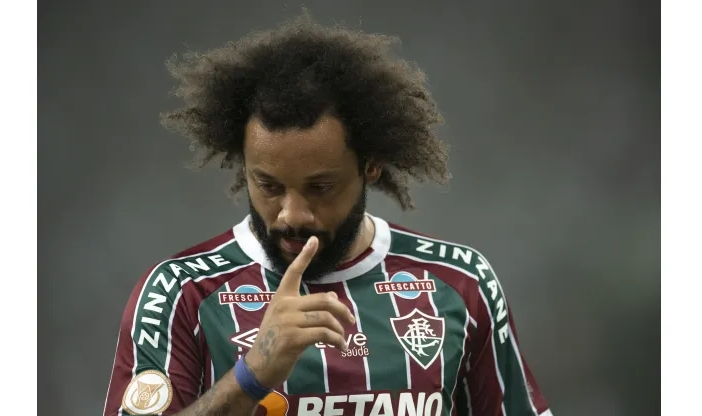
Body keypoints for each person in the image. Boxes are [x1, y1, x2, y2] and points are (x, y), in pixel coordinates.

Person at [104, 11, 552, 416]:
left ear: (370, 165)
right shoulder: (181, 294)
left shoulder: (460, 284)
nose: (292, 214)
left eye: (320, 187)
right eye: (269, 186)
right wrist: (251, 376)